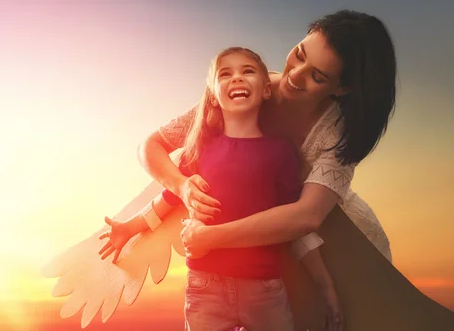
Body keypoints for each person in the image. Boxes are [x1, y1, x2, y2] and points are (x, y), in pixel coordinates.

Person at [43, 10, 454, 331]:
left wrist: (211, 236)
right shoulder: (247, 87)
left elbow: (305, 217)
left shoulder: (336, 136)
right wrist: (176, 189)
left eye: (317, 77)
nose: (294, 76)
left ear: (342, 88)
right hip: (242, 257)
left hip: (325, 235)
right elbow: (163, 150)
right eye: (298, 55)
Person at [98, 47, 335, 331]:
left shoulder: (281, 153)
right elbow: (168, 199)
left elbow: (294, 226)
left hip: (264, 289)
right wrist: (130, 227)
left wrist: (324, 284)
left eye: (248, 71)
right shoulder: (199, 151)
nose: (237, 78)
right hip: (205, 288)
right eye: (226, 74)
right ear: (212, 94)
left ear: (266, 90)